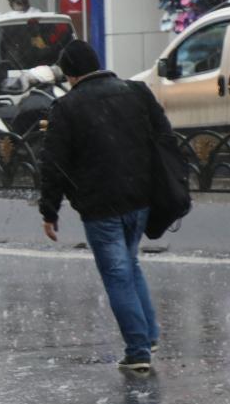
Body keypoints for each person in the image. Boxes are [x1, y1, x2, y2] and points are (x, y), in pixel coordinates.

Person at [39, 39, 172, 373]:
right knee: (130, 264)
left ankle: (138, 350)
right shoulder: (136, 92)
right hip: (139, 198)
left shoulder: (67, 108)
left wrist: (49, 211)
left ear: (69, 74)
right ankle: (148, 333)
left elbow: (53, 163)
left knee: (117, 275)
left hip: (101, 206)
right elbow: (162, 138)